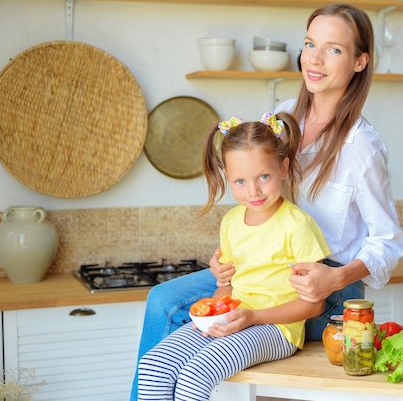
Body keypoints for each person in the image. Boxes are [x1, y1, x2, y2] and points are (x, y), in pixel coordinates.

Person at [130, 2, 403, 400]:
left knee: (182, 330)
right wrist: (227, 258)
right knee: (162, 299)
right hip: (261, 269)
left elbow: (389, 241)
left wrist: (335, 277)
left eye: (334, 49)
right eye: (310, 44)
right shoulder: (283, 116)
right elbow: (257, 199)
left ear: (360, 62)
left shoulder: (361, 145)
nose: (314, 59)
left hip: (318, 289)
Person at [137, 112, 331, 400]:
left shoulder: (297, 225)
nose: (253, 191)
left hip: (276, 330)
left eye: (263, 177)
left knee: (195, 375)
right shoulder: (230, 221)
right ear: (228, 177)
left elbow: (314, 305)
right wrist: (214, 311)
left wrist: (253, 317)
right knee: (153, 367)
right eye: (240, 181)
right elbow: (226, 287)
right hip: (236, 318)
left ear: (284, 167)